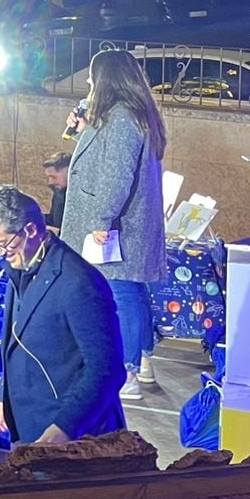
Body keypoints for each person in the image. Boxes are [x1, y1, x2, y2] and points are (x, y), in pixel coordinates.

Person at [0, 185, 126, 446]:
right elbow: (17, 339)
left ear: (31, 230)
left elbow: (107, 368)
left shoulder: (80, 283)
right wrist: (4, 394)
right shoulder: (21, 264)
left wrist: (65, 427)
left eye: (4, 244)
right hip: (30, 422)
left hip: (68, 435)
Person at [60, 49, 169, 400]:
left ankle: (128, 372)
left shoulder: (122, 119)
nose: (89, 84)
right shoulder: (122, 116)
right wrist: (81, 132)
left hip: (119, 228)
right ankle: (141, 361)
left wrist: (101, 219)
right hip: (121, 225)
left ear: (107, 79)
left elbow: (117, 175)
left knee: (122, 294)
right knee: (129, 292)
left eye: (93, 78)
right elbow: (104, 159)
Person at [43, 151, 71, 232]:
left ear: (68, 172)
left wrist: (58, 231)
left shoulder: (82, 197)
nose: (50, 182)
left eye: (53, 177)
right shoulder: (58, 193)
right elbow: (53, 220)